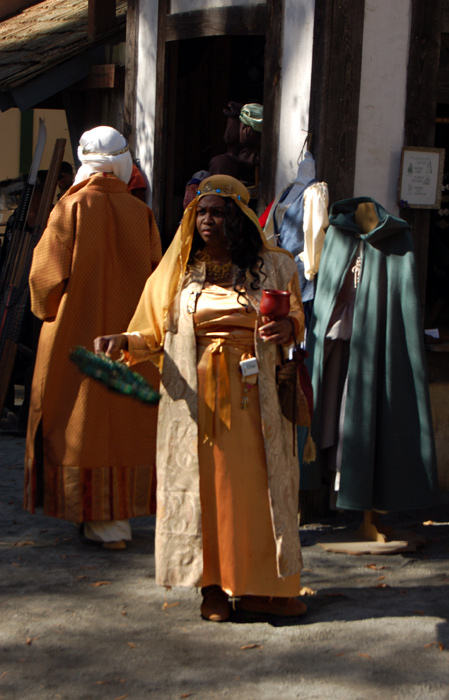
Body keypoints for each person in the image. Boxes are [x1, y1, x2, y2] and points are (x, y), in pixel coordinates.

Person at [94, 174, 307, 619]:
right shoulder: (176, 272)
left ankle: (262, 588)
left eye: (219, 213)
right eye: (201, 212)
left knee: (257, 492)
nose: (207, 220)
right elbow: (151, 333)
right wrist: (123, 341)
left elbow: (297, 322)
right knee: (205, 492)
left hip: (258, 401)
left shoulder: (277, 266)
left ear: (239, 218)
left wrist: (287, 327)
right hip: (195, 402)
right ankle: (212, 587)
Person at [24, 126, 162, 549]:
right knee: (122, 423)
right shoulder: (140, 213)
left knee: (76, 422)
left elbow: (44, 282)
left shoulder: (69, 207)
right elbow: (157, 279)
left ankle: (98, 518)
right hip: (128, 340)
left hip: (74, 337)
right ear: (121, 162)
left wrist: (49, 314)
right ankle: (112, 519)